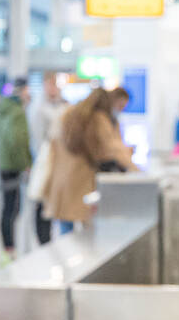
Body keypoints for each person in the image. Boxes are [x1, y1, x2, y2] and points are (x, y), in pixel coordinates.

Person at [41, 88, 136, 231]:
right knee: (87, 226)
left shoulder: (69, 114)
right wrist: (136, 168)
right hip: (82, 177)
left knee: (66, 224)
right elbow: (112, 149)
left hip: (62, 176)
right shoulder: (98, 119)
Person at [0, 78, 32, 259]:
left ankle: (8, 247)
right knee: (12, 208)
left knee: (8, 207)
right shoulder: (16, 112)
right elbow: (17, 140)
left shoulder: (2, 109)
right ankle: (9, 248)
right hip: (13, 165)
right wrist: (26, 163)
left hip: (4, 162)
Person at [29, 73, 69, 244]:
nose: (53, 88)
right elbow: (37, 137)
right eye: (49, 84)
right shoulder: (38, 108)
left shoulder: (65, 105)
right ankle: (43, 239)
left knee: (62, 199)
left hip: (63, 159)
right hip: (46, 158)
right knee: (43, 200)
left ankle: (64, 237)